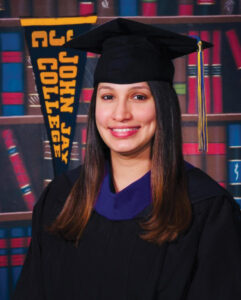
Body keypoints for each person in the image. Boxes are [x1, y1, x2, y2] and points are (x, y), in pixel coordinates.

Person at [13, 18, 241, 300]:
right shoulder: (61, 198)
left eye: (139, 96)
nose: (120, 114)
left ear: (164, 106)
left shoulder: (207, 210)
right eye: (108, 97)